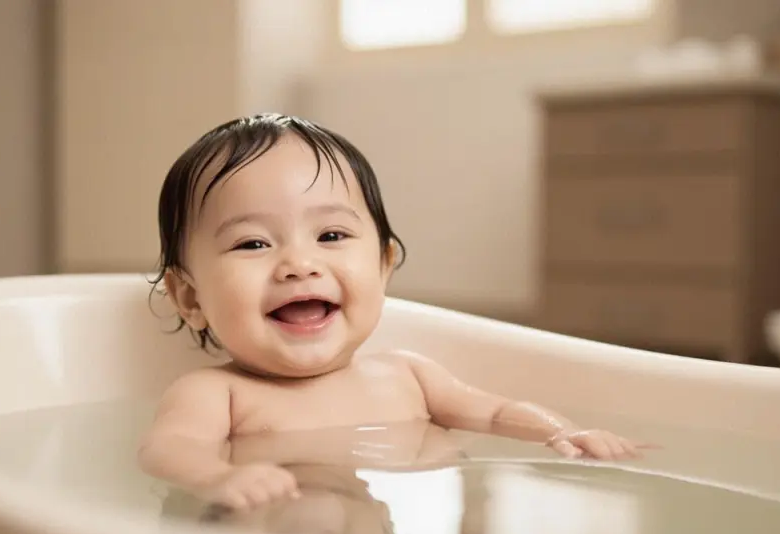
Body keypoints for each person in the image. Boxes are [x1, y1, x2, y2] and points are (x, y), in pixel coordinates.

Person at [137, 113, 653, 512]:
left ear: (384, 265)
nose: (299, 264)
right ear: (191, 299)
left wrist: (559, 433)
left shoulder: (408, 376)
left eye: (331, 235)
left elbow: (496, 413)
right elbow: (168, 450)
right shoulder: (217, 395)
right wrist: (220, 478)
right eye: (252, 243)